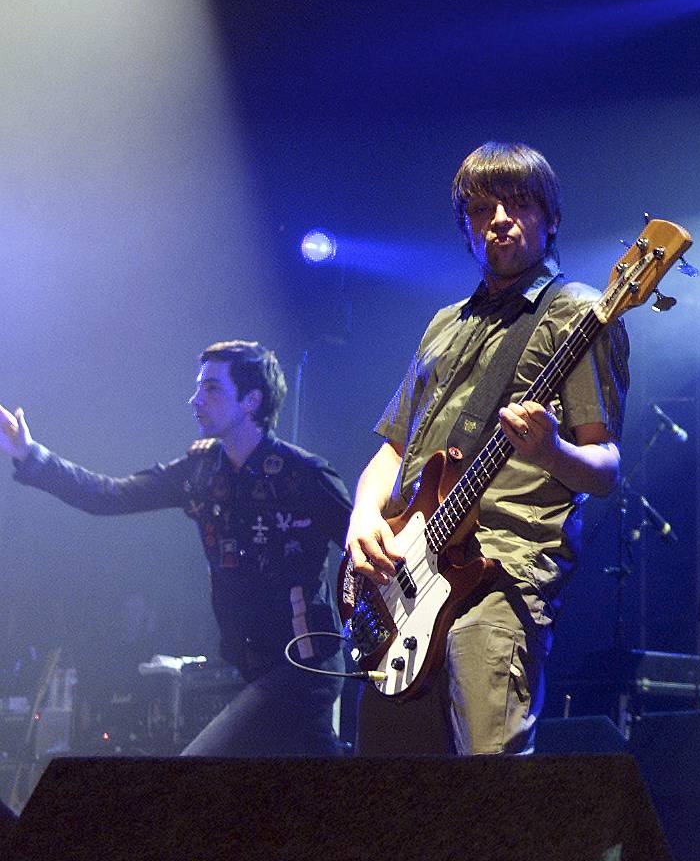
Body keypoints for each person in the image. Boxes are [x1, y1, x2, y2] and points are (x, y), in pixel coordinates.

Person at [344, 141, 627, 755]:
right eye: (482, 209)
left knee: (489, 789)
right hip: (409, 574)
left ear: (550, 219)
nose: (499, 218)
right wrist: (364, 516)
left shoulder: (577, 313)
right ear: (466, 229)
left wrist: (551, 450)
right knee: (385, 796)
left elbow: (605, 467)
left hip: (502, 569)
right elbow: (394, 449)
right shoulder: (446, 323)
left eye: (519, 204)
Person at [1, 340, 349, 755]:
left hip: (303, 668)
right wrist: (30, 455)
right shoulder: (199, 471)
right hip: (253, 669)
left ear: (251, 400)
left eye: (212, 389)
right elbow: (111, 496)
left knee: (197, 772)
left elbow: (361, 546)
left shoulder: (302, 475)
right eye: (198, 387)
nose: (195, 399)